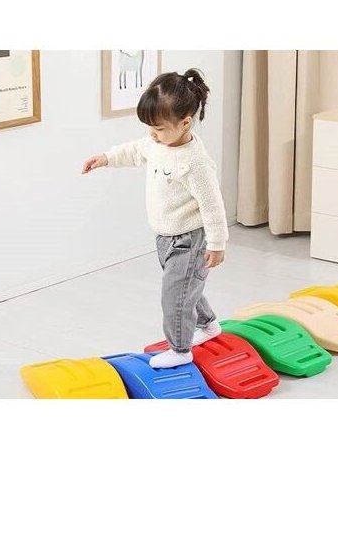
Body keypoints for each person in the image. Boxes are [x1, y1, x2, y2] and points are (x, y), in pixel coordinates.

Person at [81, 68, 228, 368]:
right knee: (185, 288)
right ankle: (209, 324)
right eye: (149, 127)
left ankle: (181, 349)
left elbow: (213, 206)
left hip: (190, 240)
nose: (151, 134)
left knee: (174, 295)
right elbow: (134, 151)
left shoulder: (195, 163)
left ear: (185, 123)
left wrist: (217, 244)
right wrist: (106, 158)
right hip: (165, 237)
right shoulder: (156, 144)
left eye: (158, 128)